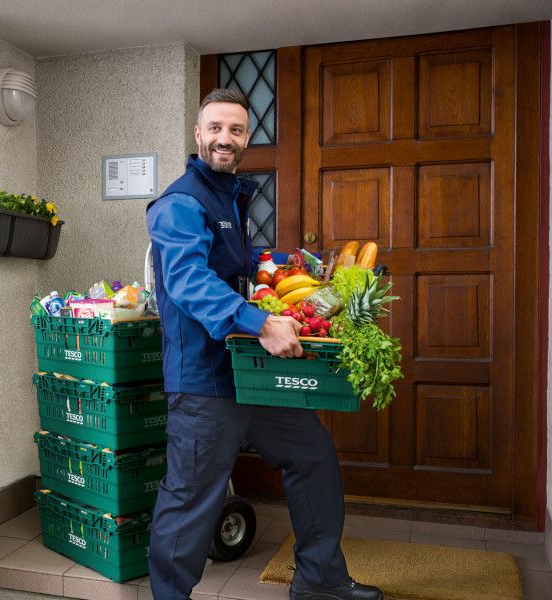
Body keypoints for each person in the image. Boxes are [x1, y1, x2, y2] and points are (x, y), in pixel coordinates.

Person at [145, 88, 383, 600]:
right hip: (205, 380)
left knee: (313, 455)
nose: (224, 139)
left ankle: (320, 581)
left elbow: (239, 265)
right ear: (198, 134)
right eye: (215, 128)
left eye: (235, 130)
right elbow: (189, 280)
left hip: (252, 374)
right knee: (190, 499)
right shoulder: (180, 202)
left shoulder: (228, 195)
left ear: (246, 137)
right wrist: (261, 322)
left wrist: (305, 267)